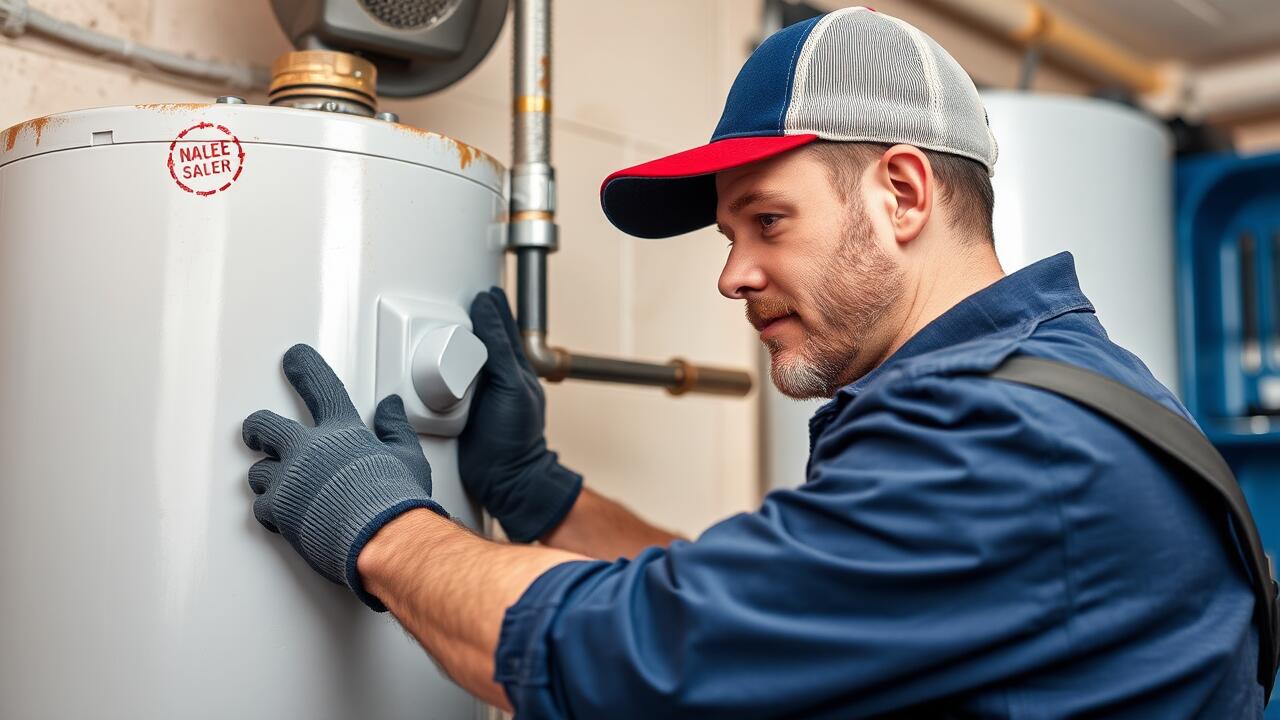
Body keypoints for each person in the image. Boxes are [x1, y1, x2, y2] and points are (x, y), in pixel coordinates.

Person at [240, 7, 1262, 718]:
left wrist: (378, 525)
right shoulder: (1043, 387)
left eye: (766, 221)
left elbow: (637, 665)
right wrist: (538, 492)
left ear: (901, 195)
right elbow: (770, 614)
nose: (734, 276)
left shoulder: (998, 442)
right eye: (728, 236)